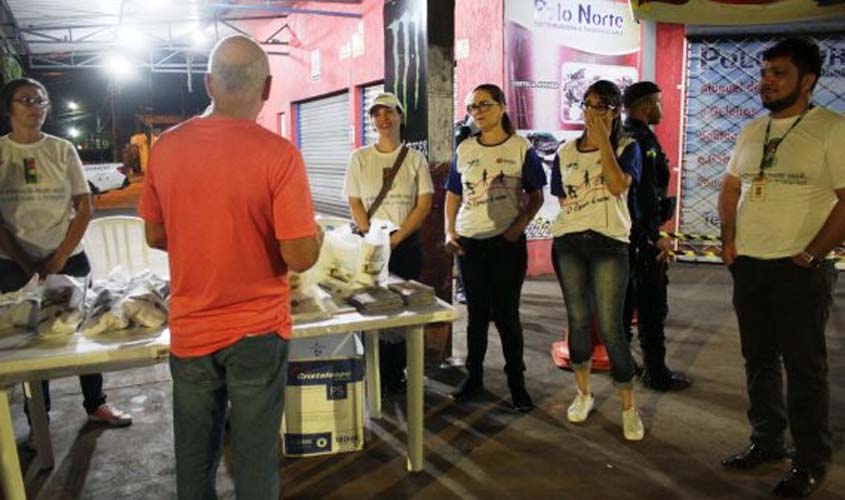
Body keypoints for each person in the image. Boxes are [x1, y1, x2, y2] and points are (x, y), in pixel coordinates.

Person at [138, 35, 322, 500]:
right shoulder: (280, 155)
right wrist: (316, 237)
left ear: (208, 84)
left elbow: (156, 236)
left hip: (191, 328)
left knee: (194, 459)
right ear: (267, 89)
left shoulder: (166, 149)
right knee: (255, 460)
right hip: (258, 331)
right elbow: (298, 255)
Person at [718, 37, 845, 498]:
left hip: (800, 271)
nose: (766, 82)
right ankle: (767, 441)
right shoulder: (752, 130)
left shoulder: (833, 129)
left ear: (807, 81)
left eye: (779, 74)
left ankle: (810, 460)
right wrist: (729, 241)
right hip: (750, 266)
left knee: (805, 369)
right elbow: (731, 187)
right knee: (759, 360)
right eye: (765, 73)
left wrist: (811, 254)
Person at [0, 77, 132, 439]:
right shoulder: (2, 152)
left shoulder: (62, 149)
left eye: (41, 100)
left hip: (69, 257)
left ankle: (96, 403)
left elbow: (84, 205)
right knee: (28, 340)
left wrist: (58, 258)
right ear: (8, 108)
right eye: (26, 100)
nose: (35, 106)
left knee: (82, 330)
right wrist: (29, 264)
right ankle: (37, 417)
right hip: (13, 264)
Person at [549, 80, 644, 441]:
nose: (592, 113)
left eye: (601, 106)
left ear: (615, 110)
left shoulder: (627, 147)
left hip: (610, 244)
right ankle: (583, 393)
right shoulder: (565, 152)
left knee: (610, 324)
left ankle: (628, 407)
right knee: (577, 318)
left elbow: (619, 186)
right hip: (570, 243)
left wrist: (603, 139)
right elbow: (563, 199)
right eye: (587, 105)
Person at [444, 83, 545, 412]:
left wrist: (516, 229)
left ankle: (517, 384)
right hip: (469, 243)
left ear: (502, 106)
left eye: (484, 105)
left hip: (505, 244)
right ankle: (474, 378)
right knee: (476, 316)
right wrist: (449, 231)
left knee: (506, 316)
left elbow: (537, 196)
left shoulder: (520, 148)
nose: (478, 112)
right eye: (473, 107)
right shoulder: (465, 149)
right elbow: (453, 194)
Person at [344, 91, 434, 394]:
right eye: (376, 113)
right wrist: (373, 237)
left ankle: (396, 375)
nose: (383, 118)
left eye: (389, 112)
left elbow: (423, 204)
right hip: (369, 247)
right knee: (369, 309)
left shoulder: (415, 159)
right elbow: (354, 201)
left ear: (400, 116)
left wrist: (394, 240)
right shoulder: (360, 157)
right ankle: (372, 373)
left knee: (401, 311)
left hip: (404, 246)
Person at [621, 81, 691, 391]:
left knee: (623, 305)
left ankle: (623, 366)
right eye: (659, 103)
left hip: (624, 236)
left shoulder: (621, 136)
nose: (662, 108)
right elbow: (645, 195)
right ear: (647, 105)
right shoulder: (642, 140)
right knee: (651, 306)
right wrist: (654, 236)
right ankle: (656, 373)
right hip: (641, 238)